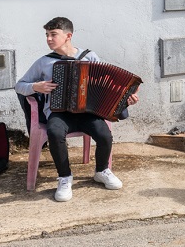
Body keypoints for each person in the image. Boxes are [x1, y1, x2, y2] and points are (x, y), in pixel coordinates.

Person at [14, 17, 138, 202]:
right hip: (58, 113)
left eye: (53, 34)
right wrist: (36, 87)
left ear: (68, 36)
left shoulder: (90, 56)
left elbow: (106, 85)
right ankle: (65, 177)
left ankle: (102, 170)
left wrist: (126, 98)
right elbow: (19, 85)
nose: (48, 39)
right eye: (47, 35)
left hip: (87, 112)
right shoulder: (43, 62)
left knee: (104, 134)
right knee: (55, 132)